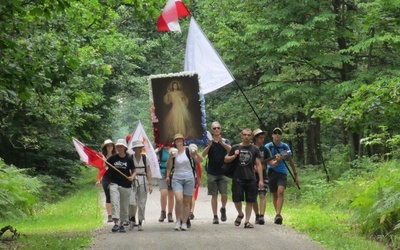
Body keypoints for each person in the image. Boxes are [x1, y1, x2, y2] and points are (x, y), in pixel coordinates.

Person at [224, 128, 263, 229]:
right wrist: (234, 155)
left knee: (250, 200)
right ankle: (240, 214)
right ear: (241, 135)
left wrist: (261, 180)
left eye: (248, 135)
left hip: (251, 178)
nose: (246, 137)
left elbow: (258, 164)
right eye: (244, 135)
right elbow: (226, 159)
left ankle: (247, 221)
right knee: (237, 199)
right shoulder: (235, 147)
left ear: (251, 137)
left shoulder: (255, 149)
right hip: (238, 178)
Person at [166, 133, 203, 231]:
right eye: (177, 140)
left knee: (187, 201)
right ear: (174, 142)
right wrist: (170, 157)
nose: (179, 141)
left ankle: (184, 222)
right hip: (177, 178)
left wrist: (195, 154)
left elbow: (200, 160)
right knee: (179, 199)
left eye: (180, 139)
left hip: (189, 178)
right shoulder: (173, 152)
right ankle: (178, 220)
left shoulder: (188, 150)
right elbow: (169, 166)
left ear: (183, 141)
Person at [265, 127, 300, 225]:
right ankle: (277, 215)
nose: (277, 135)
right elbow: (265, 160)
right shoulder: (268, 146)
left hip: (282, 172)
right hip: (271, 171)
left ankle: (278, 214)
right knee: (274, 193)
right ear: (272, 135)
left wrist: (295, 175)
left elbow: (290, 160)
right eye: (275, 133)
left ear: (281, 136)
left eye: (279, 133)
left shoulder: (285, 147)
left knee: (280, 191)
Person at [201, 121, 231, 224]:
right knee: (214, 195)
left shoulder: (225, 140)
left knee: (224, 194)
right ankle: (215, 216)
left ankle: (223, 208)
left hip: (223, 171)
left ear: (221, 130)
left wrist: (222, 143)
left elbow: (231, 150)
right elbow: (203, 155)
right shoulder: (209, 141)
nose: (217, 130)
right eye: (214, 128)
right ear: (211, 131)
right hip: (212, 172)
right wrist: (209, 146)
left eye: (218, 128)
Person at [106, 139, 136, 233]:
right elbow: (104, 166)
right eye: (118, 146)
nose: (119, 148)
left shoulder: (129, 159)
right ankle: (115, 223)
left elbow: (134, 171)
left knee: (124, 204)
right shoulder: (112, 158)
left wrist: (132, 177)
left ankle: (122, 224)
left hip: (126, 184)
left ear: (125, 148)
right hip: (114, 183)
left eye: (121, 146)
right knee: (115, 202)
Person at [251, 129, 280, 225]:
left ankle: (262, 216)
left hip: (263, 175)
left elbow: (271, 164)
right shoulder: (250, 148)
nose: (262, 139)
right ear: (255, 138)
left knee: (262, 194)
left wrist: (278, 160)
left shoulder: (265, 149)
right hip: (251, 175)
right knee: (253, 197)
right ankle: (257, 215)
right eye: (260, 137)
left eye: (263, 137)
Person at [129, 140, 153, 231]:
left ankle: (140, 222)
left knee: (142, 202)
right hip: (133, 180)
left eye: (139, 148)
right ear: (134, 149)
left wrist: (150, 184)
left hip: (143, 180)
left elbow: (148, 171)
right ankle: (131, 219)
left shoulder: (145, 158)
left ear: (141, 148)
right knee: (131, 201)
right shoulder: (130, 158)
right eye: (136, 148)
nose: (137, 149)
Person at [96, 139, 116, 223]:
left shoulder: (116, 156)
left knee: (116, 196)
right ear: (105, 147)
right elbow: (101, 168)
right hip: (106, 177)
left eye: (111, 145)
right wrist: (98, 179)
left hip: (115, 177)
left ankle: (116, 213)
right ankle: (110, 215)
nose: (110, 147)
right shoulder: (102, 157)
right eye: (108, 146)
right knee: (108, 196)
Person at [155, 146, 174, 223]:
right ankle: (163, 212)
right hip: (162, 172)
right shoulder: (160, 150)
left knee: (171, 194)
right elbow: (152, 157)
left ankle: (170, 213)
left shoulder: (174, 149)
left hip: (172, 172)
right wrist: (156, 150)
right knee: (163, 193)